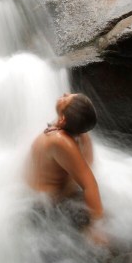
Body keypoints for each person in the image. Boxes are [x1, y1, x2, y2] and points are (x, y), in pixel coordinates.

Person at [25, 92, 105, 243]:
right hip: (47, 200)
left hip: (47, 208)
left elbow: (90, 184)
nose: (64, 94)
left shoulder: (60, 141)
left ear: (62, 120)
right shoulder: (78, 133)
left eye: (66, 99)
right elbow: (89, 161)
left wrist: (97, 228)